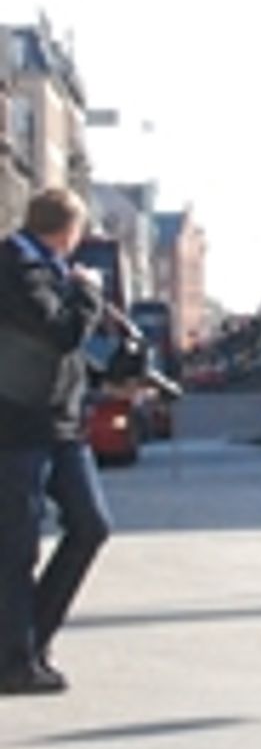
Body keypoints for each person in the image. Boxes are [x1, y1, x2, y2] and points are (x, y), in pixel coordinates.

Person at [0, 188, 110, 696]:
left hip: (62, 425)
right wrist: (88, 293)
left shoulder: (50, 270)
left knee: (90, 525)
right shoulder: (17, 269)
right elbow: (59, 333)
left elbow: (64, 355)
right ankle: (15, 661)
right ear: (70, 231)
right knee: (16, 546)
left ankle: (32, 640)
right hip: (16, 427)